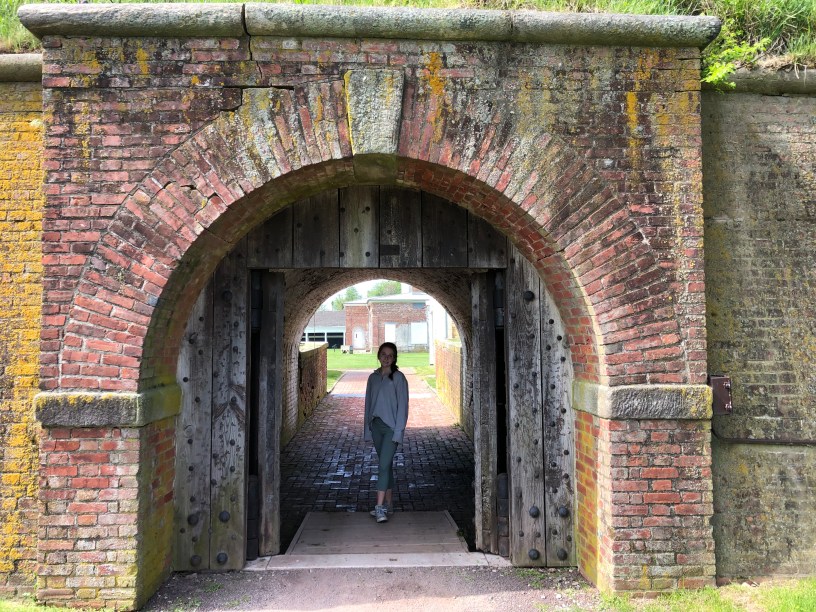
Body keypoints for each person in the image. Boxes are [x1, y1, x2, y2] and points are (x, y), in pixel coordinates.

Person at [363, 342, 409, 523]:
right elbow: (368, 405)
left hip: (391, 429)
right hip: (376, 427)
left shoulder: (399, 378)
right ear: (378, 356)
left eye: (390, 355)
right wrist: (367, 429)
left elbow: (403, 408)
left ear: (394, 358)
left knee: (382, 466)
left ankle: (379, 507)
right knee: (387, 466)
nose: (386, 358)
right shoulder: (372, 378)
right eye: (383, 354)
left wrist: (398, 432)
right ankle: (389, 505)